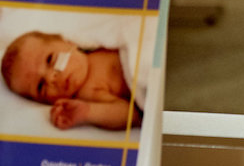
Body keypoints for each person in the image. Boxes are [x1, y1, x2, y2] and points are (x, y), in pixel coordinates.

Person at [1, 30, 141, 131]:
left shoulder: (101, 44)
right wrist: (87, 112)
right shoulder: (88, 92)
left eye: (50, 59)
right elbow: (131, 115)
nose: (51, 78)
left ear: (69, 43)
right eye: (40, 86)